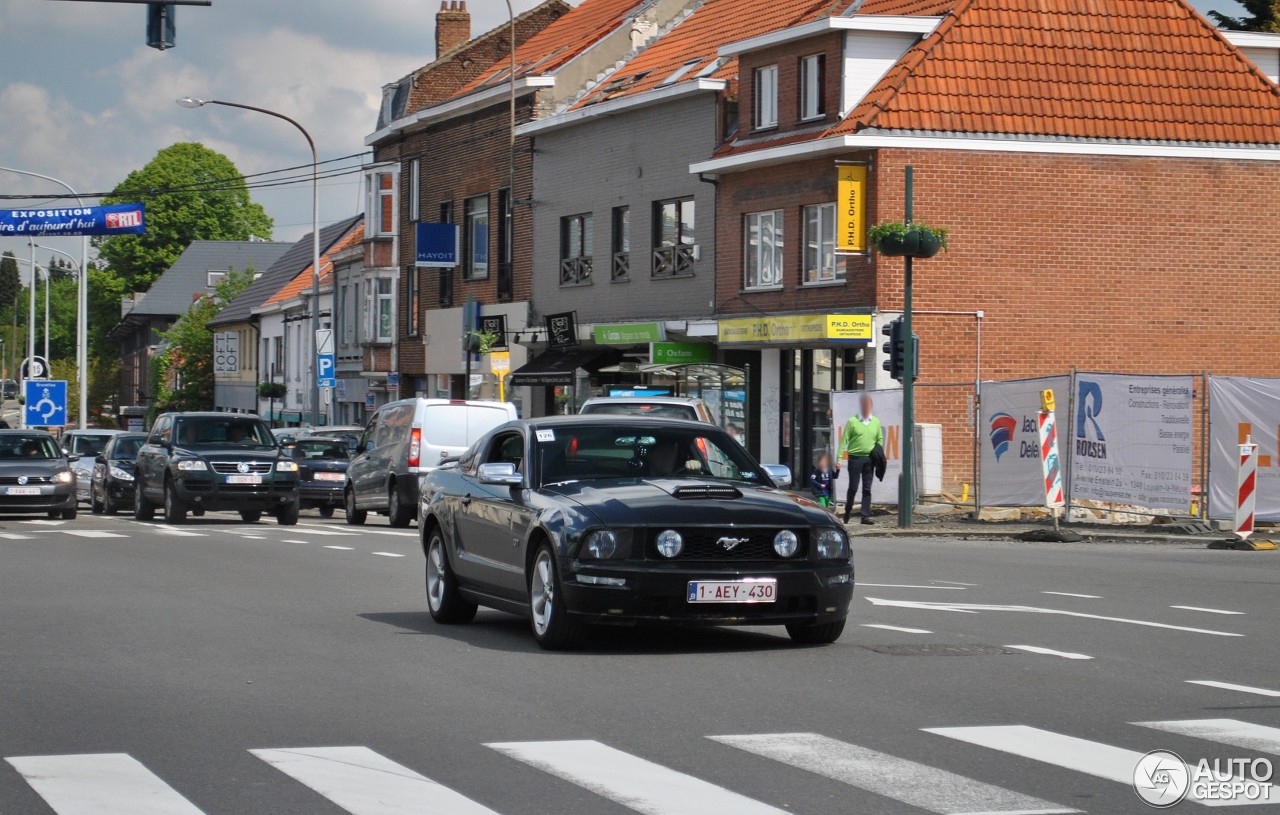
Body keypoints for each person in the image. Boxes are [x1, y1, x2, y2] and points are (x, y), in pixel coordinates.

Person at [839, 393, 883, 525]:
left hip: (869, 459)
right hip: (855, 458)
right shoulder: (852, 421)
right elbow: (844, 441)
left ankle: (865, 516)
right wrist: (839, 458)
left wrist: (878, 449)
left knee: (867, 488)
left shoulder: (875, 422)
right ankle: (848, 510)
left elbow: (879, 438)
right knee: (853, 487)